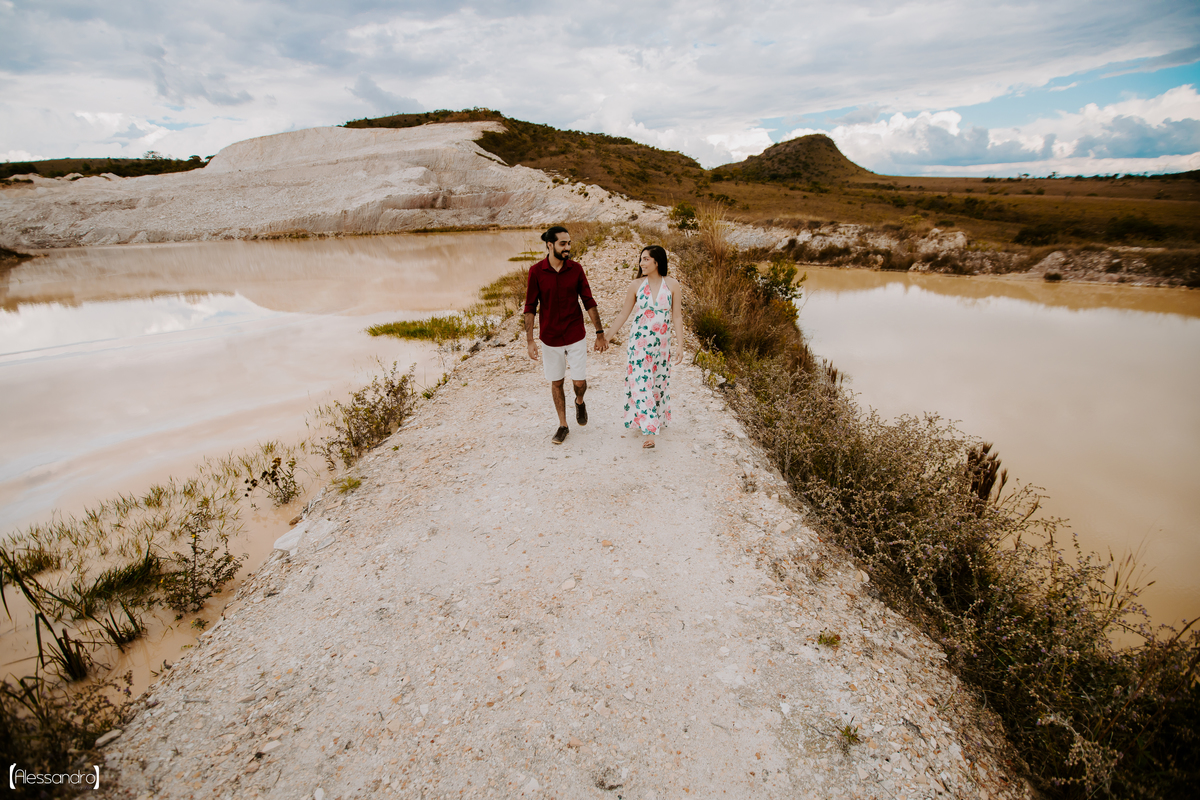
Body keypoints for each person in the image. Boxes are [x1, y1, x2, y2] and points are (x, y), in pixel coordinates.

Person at [524, 225, 608, 445]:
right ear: (550, 245)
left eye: (569, 243)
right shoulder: (536, 271)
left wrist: (599, 333)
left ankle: (579, 401)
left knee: (579, 382)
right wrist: (530, 340)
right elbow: (530, 307)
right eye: (563, 244)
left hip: (575, 334)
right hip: (550, 338)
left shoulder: (576, 269)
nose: (567, 247)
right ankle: (563, 425)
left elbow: (588, 301)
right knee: (557, 382)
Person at [605, 245, 682, 449]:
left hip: (662, 345)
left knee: (658, 384)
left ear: (657, 261)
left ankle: (654, 419)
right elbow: (624, 313)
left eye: (646, 259)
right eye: (641, 259)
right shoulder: (636, 285)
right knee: (640, 383)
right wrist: (607, 337)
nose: (641, 263)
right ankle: (650, 432)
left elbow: (677, 316)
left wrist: (681, 345)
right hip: (639, 344)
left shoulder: (672, 285)